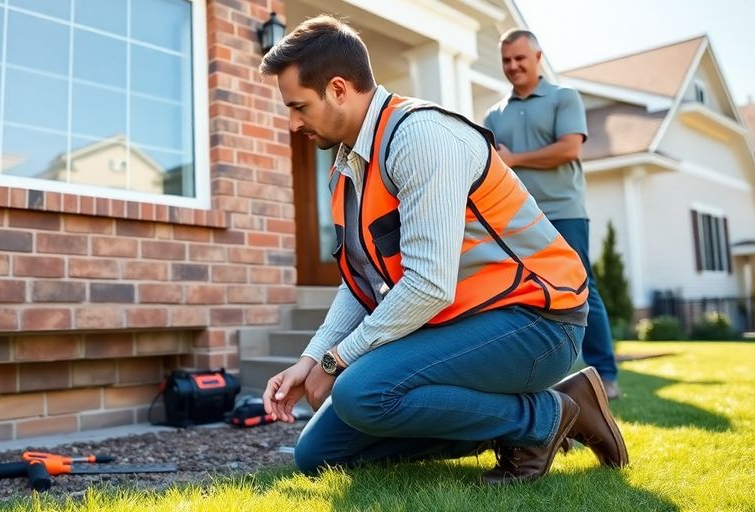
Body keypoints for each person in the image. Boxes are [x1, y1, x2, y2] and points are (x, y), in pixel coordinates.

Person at [258, 15, 628, 484]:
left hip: (539, 323)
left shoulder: (421, 138)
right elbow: (363, 280)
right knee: (317, 454)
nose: (293, 124)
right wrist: (310, 359)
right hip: (463, 326)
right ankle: (538, 412)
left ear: (337, 89)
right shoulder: (350, 162)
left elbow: (429, 285)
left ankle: (543, 420)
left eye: (298, 107)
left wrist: (338, 360)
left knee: (360, 392)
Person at [484, 30, 621, 400]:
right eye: (506, 61)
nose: (513, 66)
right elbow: (494, 167)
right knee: (519, 294)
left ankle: (605, 376)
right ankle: (530, 377)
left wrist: (515, 159)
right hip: (515, 219)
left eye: (520, 59)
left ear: (538, 57)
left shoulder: (564, 98)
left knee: (582, 288)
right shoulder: (494, 114)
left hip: (564, 212)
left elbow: (570, 149)